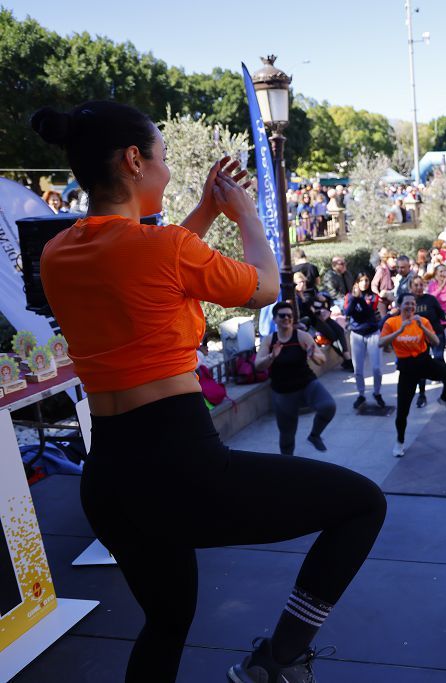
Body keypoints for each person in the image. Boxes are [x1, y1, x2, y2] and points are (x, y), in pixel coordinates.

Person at [34, 101, 386, 683]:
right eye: (163, 158)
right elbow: (266, 286)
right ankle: (281, 659)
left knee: (166, 623)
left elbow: (146, 271)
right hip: (181, 469)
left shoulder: (58, 253)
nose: (168, 171)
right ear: (132, 160)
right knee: (363, 503)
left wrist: (202, 212)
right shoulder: (164, 249)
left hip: (111, 482)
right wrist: (245, 213)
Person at [379, 293, 446, 457]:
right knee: (403, 411)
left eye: (413, 304)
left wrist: (422, 327)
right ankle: (400, 442)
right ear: (399, 306)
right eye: (407, 303)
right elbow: (381, 343)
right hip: (407, 368)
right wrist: (399, 330)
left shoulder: (423, 321)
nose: (410, 307)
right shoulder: (392, 322)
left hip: (424, 361)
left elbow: (436, 342)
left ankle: (444, 398)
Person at [255, 301, 336, 455]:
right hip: (283, 392)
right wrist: (272, 356)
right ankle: (288, 469)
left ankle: (314, 435)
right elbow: (258, 365)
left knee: (328, 406)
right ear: (275, 319)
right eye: (282, 315)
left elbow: (321, 358)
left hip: (307, 385)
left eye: (290, 316)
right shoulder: (269, 340)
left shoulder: (302, 336)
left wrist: (313, 355)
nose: (286, 318)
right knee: (287, 437)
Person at [345, 273, 385, 410]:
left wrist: (358, 299)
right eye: (361, 280)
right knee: (358, 369)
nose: (364, 283)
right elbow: (348, 312)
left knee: (377, 368)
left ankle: (377, 392)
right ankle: (361, 394)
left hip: (372, 333)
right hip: (356, 334)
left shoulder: (373, 296)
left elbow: (368, 313)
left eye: (366, 280)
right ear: (356, 282)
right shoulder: (349, 296)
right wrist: (354, 298)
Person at [410, 275, 446, 408]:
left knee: (439, 359)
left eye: (421, 285)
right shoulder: (409, 301)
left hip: (436, 334)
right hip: (419, 338)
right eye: (416, 285)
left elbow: (441, 314)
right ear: (411, 287)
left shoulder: (431, 299)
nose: (419, 288)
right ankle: (421, 394)